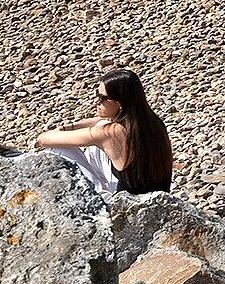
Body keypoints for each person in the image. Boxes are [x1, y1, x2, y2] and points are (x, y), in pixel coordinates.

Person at [30, 68, 175, 198]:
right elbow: (100, 121)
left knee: (59, 148)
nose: (97, 102)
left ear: (119, 103)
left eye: (102, 98)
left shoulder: (111, 133)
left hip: (123, 208)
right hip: (156, 198)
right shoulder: (151, 122)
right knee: (100, 126)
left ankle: (93, 195)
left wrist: (60, 131)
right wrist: (70, 126)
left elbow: (43, 139)